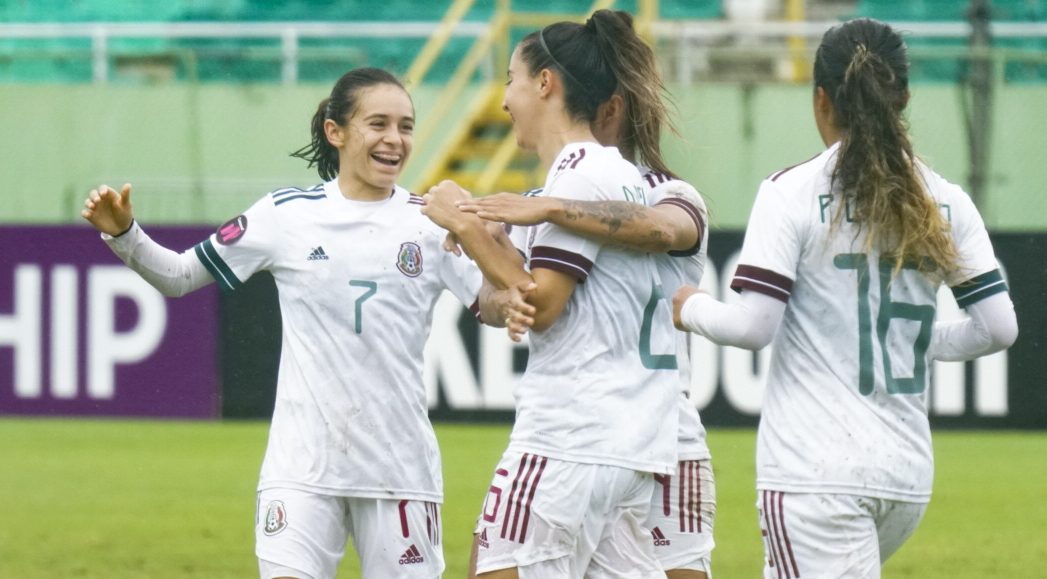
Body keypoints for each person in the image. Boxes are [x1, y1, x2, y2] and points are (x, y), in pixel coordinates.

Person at [80, 67, 526, 579]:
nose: (394, 139)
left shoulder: (429, 221)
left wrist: (507, 297)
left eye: (405, 126)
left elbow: (488, 304)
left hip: (400, 473)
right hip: (301, 471)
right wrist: (125, 235)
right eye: (377, 123)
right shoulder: (284, 215)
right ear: (336, 132)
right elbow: (180, 276)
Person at [672, 18, 1018, 577]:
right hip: (904, 477)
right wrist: (920, 342)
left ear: (821, 99)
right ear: (902, 97)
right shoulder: (946, 201)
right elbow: (998, 328)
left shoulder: (791, 193)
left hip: (815, 474)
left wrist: (688, 305)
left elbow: (754, 327)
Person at [421, 10, 680, 578]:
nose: (506, 96)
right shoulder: (613, 175)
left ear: (545, 82)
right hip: (627, 445)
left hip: (567, 439)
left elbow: (541, 305)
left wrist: (462, 224)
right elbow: (541, 289)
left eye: (512, 77)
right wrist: (487, 237)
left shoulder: (580, 175)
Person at [456, 89, 716, 579]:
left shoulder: (668, 193)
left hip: (645, 435)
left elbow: (661, 230)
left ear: (607, 108)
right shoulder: (542, 198)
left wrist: (547, 213)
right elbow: (501, 299)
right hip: (627, 439)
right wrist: (491, 257)